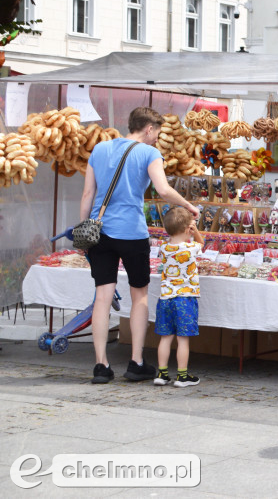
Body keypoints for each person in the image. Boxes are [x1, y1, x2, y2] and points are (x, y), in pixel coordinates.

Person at [80, 107, 200, 384]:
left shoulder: (99, 149)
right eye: (157, 132)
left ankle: (101, 366)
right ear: (148, 129)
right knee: (140, 296)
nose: (158, 138)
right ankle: (136, 362)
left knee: (102, 296)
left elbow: (88, 192)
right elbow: (163, 190)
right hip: (132, 233)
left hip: (100, 233)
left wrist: (84, 230)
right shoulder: (149, 153)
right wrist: (188, 205)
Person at [154, 207, 204, 387]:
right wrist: (195, 230)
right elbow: (202, 243)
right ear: (186, 229)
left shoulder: (163, 248)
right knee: (183, 339)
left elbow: (173, 238)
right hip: (185, 298)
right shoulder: (190, 248)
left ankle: (162, 374)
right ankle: (182, 376)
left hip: (165, 299)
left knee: (165, 337)